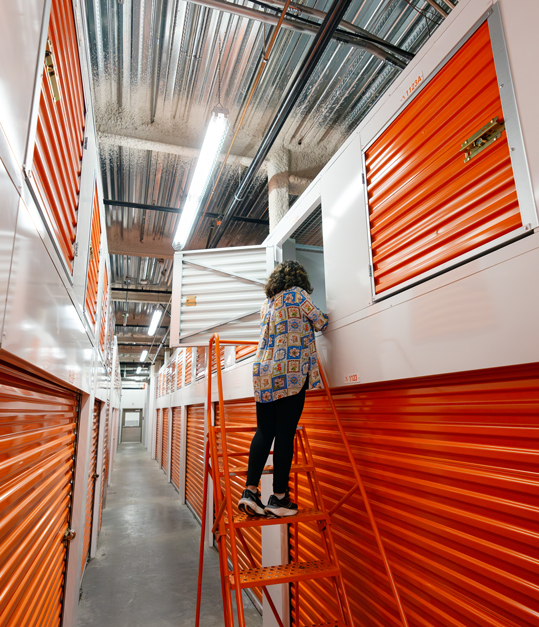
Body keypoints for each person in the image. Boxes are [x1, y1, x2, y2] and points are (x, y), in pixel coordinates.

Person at [238, 260, 328, 517]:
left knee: (264, 432)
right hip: (289, 374)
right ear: (300, 278)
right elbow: (320, 321)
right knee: (284, 434)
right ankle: (279, 498)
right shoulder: (299, 295)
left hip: (264, 373)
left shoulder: (267, 304)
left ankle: (251, 492)